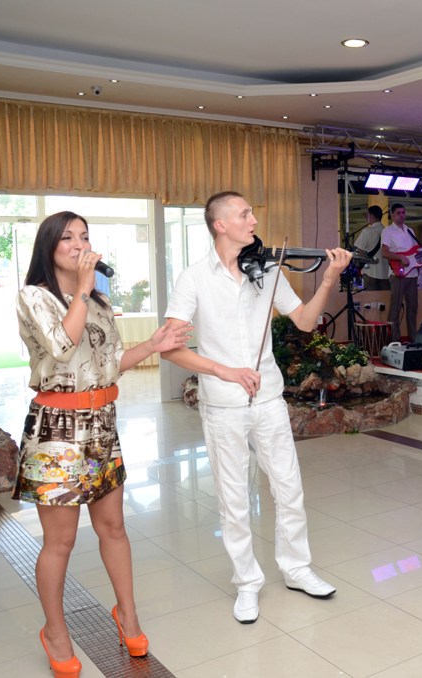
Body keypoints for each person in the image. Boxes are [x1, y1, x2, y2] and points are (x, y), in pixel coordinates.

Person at [15, 211, 192, 678]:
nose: (80, 245)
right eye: (68, 238)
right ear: (49, 247)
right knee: (61, 541)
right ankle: (55, 632)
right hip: (56, 430)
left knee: (114, 527)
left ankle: (127, 615)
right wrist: (82, 288)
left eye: (85, 236)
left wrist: (152, 344)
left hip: (101, 425)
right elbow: (62, 346)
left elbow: (110, 363)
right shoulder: (34, 296)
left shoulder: (98, 301)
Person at [161, 191, 349, 624]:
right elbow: (170, 348)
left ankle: (297, 569)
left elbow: (305, 321)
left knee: (289, 488)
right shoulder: (193, 278)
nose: (253, 220)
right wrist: (223, 370)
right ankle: (247, 583)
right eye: (244, 214)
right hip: (223, 405)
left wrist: (328, 280)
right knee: (234, 500)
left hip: (268, 399)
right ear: (220, 225)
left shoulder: (266, 270)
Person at [381, 203, 422, 340]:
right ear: (392, 215)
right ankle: (394, 340)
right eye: (398, 213)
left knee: (413, 308)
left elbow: (414, 251)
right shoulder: (388, 231)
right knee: (395, 308)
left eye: (403, 212)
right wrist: (400, 257)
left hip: (412, 274)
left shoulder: (410, 230)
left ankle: (414, 338)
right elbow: (384, 252)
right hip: (397, 273)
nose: (401, 215)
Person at [352, 205, 390, 291]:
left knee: (370, 298)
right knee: (384, 298)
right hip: (386, 273)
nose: (366, 217)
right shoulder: (387, 232)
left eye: (367, 215)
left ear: (372, 216)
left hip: (370, 272)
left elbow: (360, 251)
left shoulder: (367, 231)